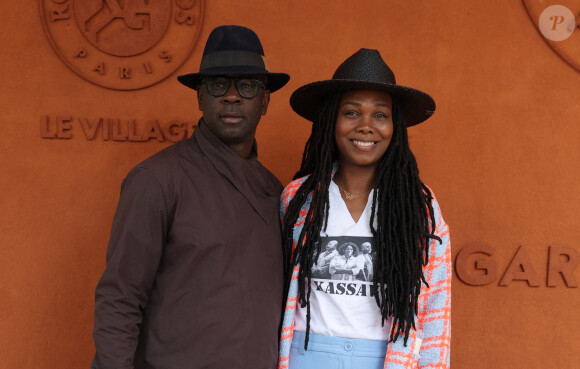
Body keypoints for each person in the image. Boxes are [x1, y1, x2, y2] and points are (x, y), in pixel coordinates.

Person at [91, 25, 290, 369]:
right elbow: (119, 298)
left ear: (265, 100)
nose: (231, 96)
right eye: (217, 85)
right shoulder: (157, 181)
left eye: (246, 86)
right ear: (200, 96)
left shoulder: (278, 194)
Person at [277, 49, 451, 369]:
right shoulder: (298, 199)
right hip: (305, 354)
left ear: (395, 126)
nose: (366, 126)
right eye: (352, 113)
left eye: (380, 115)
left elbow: (435, 308)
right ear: (331, 120)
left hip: (385, 359)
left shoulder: (419, 207)